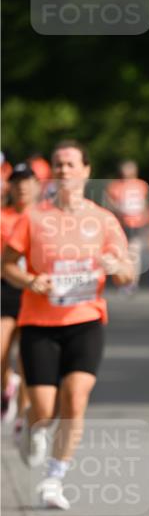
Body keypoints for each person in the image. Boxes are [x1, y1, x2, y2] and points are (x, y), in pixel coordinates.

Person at [0, 140, 135, 509]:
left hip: (85, 320)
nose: (63, 171)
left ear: (86, 171)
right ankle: (31, 423)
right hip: (39, 322)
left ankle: (54, 479)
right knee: (45, 410)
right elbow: (7, 264)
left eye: (71, 164)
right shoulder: (33, 218)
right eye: (58, 165)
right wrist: (29, 281)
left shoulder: (104, 220)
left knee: (75, 399)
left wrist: (117, 268)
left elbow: (127, 275)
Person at [1, 163, 40, 425]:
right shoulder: (3, 216)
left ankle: (23, 412)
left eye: (27, 181)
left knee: (28, 358)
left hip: (35, 294)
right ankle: (7, 385)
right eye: (16, 182)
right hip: (5, 289)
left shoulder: (47, 218)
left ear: (37, 185)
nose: (22, 187)